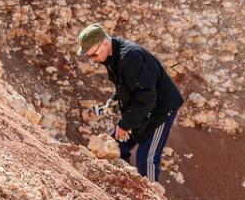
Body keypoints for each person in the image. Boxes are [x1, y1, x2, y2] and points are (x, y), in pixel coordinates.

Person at [78, 23, 184, 183]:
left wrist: (126, 124)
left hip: (160, 109)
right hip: (141, 107)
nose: (93, 60)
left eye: (93, 55)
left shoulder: (129, 56)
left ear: (105, 43)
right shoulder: (111, 57)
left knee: (146, 157)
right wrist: (115, 101)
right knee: (115, 146)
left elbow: (147, 96)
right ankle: (125, 188)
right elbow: (128, 85)